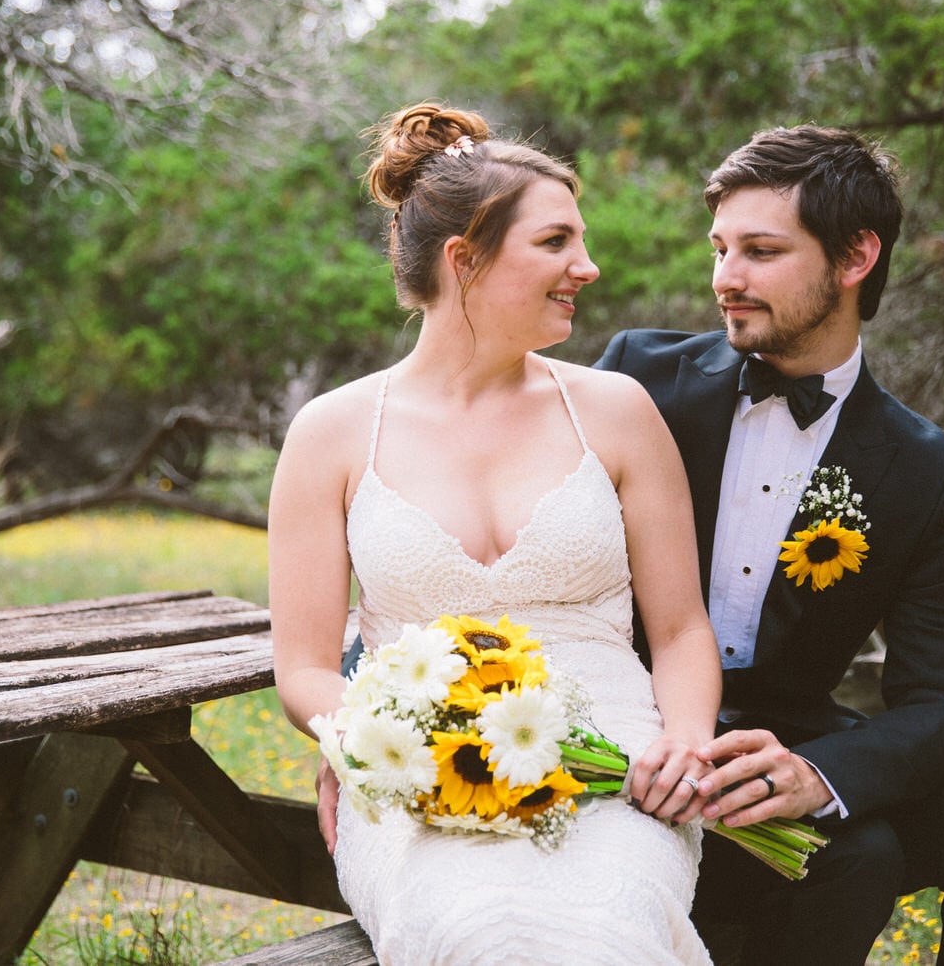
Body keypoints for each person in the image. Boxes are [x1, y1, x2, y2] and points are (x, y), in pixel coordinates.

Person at [596, 124, 944, 964]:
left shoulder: (925, 470)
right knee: (860, 854)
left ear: (855, 258)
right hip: (628, 736)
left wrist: (821, 775)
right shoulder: (638, 380)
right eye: (720, 248)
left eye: (761, 251)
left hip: (791, 743)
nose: (724, 279)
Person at [269, 103, 722, 966]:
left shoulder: (617, 414)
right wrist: (385, 740)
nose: (586, 267)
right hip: (419, 791)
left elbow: (680, 628)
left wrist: (685, 741)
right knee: (480, 932)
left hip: (616, 774)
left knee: (608, 928)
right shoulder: (331, 432)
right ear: (464, 259)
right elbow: (303, 667)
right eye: (555, 243)